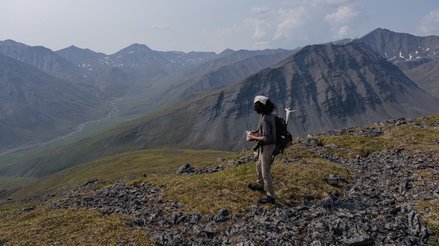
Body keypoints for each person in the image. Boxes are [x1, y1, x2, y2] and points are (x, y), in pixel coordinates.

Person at [246, 95, 277, 204]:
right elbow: (264, 131)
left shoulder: (265, 118)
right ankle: (260, 185)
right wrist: (254, 132)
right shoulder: (268, 115)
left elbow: (266, 137)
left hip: (267, 147)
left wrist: (252, 138)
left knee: (265, 172)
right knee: (259, 165)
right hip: (267, 146)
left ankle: (271, 196)